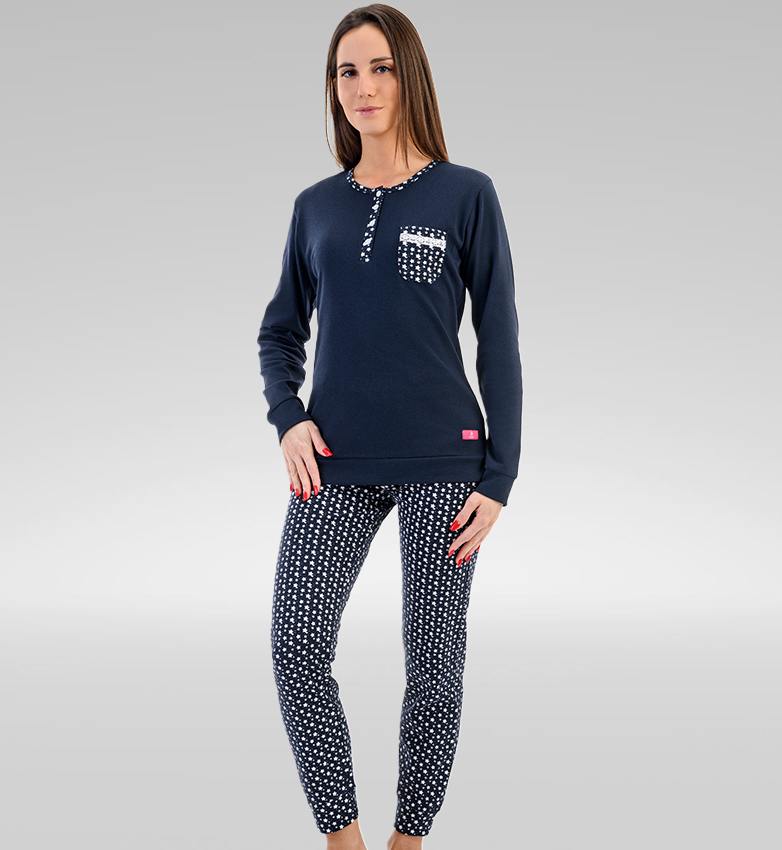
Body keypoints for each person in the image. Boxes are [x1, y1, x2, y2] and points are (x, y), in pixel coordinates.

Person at [256, 6, 523, 849]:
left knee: (433, 670)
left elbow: (499, 342)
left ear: (410, 75)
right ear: (332, 89)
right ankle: (345, 840)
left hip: (445, 461)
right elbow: (279, 332)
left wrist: (500, 477)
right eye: (347, 72)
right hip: (334, 459)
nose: (363, 87)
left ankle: (410, 841)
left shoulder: (466, 193)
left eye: (380, 68)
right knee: (295, 647)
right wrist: (288, 419)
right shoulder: (315, 207)